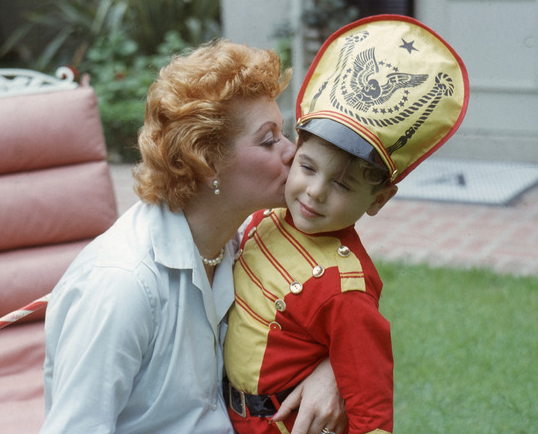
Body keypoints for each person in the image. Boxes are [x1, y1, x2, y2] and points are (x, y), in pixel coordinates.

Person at [41, 39, 344, 433]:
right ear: (206, 161)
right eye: (269, 139)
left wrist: (332, 369)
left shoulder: (244, 244)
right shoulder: (122, 286)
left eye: (284, 134)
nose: (292, 152)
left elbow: (334, 315)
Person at [223, 15, 469, 434]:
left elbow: (371, 409)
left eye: (341, 185)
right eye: (307, 167)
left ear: (378, 200)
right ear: (293, 150)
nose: (315, 192)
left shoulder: (345, 288)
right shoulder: (264, 217)